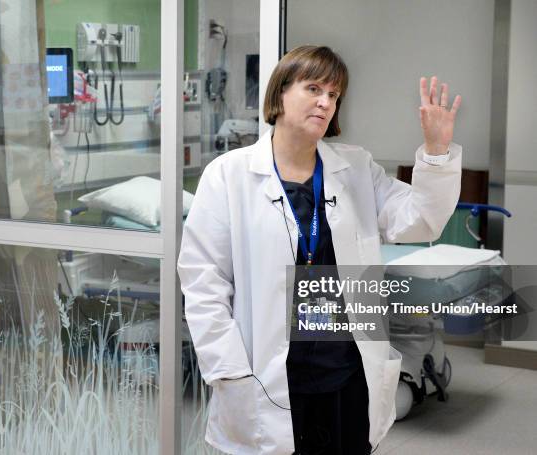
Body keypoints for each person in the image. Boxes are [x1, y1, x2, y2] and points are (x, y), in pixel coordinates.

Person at [177, 45, 462, 454]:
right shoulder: (228, 176)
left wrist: (436, 151)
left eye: (334, 95)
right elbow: (204, 284)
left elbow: (419, 219)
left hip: (345, 375)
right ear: (279, 95)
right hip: (264, 378)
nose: (325, 102)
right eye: (314, 88)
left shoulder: (356, 168)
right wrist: (230, 371)